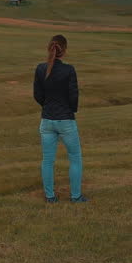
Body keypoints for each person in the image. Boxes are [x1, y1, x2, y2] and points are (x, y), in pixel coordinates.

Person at [33, 34, 86, 203]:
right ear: (64, 51)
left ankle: (50, 197)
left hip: (47, 120)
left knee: (47, 160)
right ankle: (76, 196)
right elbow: (73, 96)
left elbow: (37, 95)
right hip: (66, 120)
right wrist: (70, 111)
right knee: (75, 158)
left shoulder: (40, 69)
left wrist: (47, 106)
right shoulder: (69, 70)